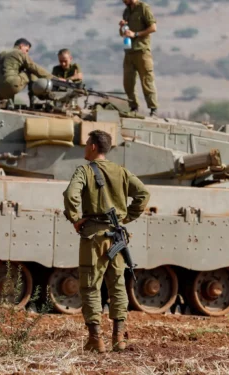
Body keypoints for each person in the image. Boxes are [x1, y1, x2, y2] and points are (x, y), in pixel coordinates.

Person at [62, 130, 150, 353]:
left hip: (94, 236)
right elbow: (143, 194)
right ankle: (118, 338)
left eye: (86, 144)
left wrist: (75, 218)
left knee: (91, 286)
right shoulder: (121, 171)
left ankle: (95, 339)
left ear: (92, 147)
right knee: (117, 285)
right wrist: (126, 217)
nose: (84, 148)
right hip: (117, 237)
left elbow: (71, 195)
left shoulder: (84, 171)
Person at [119, 0, 158, 116]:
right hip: (129, 51)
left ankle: (153, 109)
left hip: (142, 51)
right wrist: (122, 28)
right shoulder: (126, 11)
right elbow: (123, 34)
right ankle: (133, 107)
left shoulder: (143, 8)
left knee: (146, 80)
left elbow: (153, 27)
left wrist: (136, 34)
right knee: (128, 83)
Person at [0, 38, 53, 103]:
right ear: (21, 46)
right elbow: (34, 67)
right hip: (11, 85)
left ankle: (9, 103)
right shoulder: (19, 53)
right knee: (31, 72)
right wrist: (53, 78)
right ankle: (35, 98)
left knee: (12, 76)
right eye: (27, 50)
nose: (27, 53)